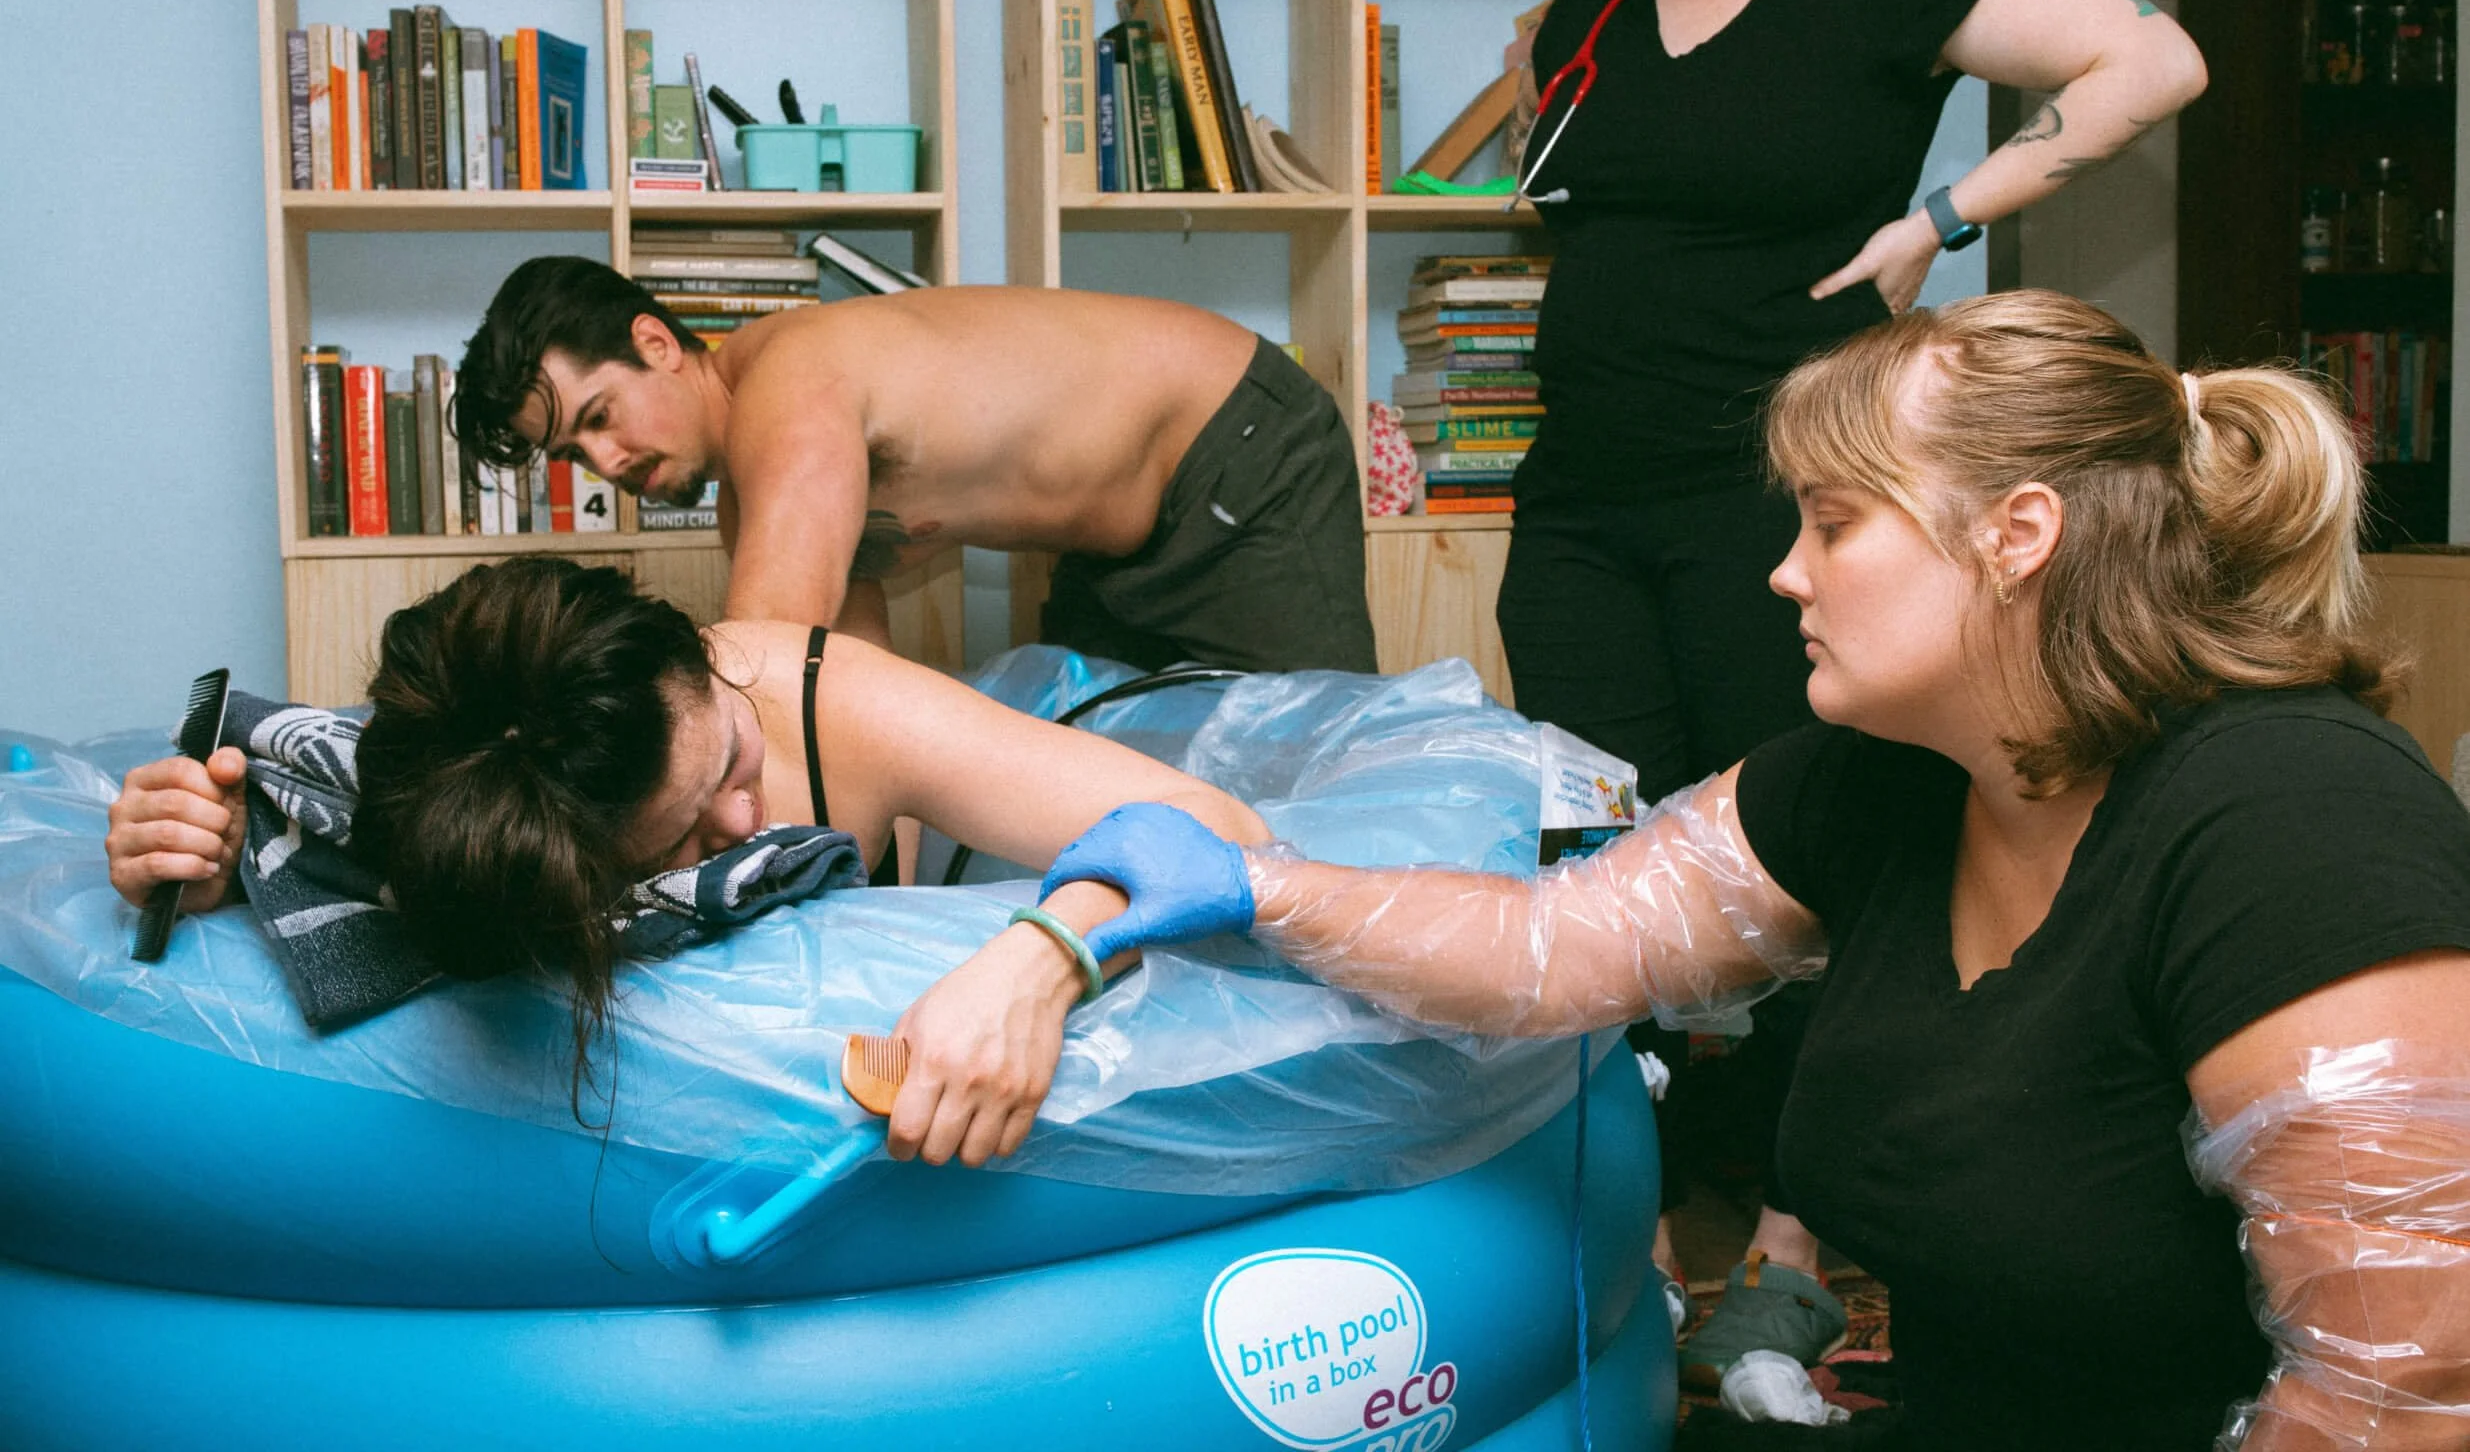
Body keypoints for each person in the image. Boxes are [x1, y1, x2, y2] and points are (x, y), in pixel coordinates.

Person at [1034, 291, 2470, 1448]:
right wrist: (1259, 884)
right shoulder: (1885, 778)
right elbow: (1556, 950)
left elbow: (2397, 1394)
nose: (1783, 573)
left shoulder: (2291, 817)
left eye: (1834, 523)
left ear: (2016, 535)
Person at [1496, 0, 2209, 1371]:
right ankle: (1630, 1245)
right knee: (1595, 866)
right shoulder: (1590, 5)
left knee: (1820, 857)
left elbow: (2155, 62)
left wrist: (1941, 220)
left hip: (1781, 503)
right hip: (1578, 496)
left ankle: (1789, 1250)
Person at [102, 556, 1269, 1171]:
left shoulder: (811, 699)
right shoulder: (474, 792)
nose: (750, 811)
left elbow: (1219, 826)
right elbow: (333, 847)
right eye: (689, 834)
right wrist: (211, 866)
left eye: (730, 755)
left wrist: (1044, 958)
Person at [450, 258, 1378, 674]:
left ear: (655, 342)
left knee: (1332, 788)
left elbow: (760, 666)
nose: (607, 460)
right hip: (1115, 555)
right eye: (576, 452)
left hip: (1240, 457)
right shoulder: (758, 502)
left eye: (600, 418)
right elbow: (847, 704)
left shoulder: (787, 387)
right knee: (1125, 812)